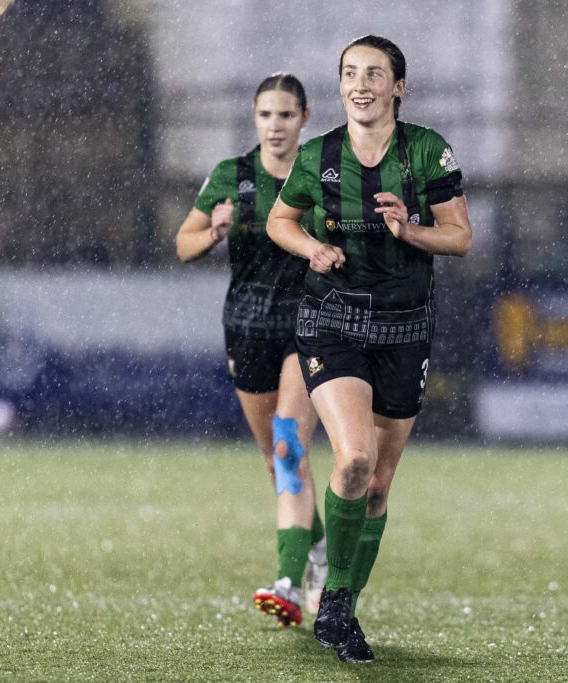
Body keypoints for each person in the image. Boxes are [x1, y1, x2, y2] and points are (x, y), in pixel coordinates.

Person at [267, 36, 473, 663]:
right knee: (354, 459)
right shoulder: (318, 157)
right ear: (340, 86)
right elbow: (282, 221)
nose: (361, 84)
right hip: (332, 322)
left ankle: (341, 604)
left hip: (405, 330)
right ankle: (319, 593)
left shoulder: (425, 150)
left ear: (398, 87)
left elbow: (461, 237)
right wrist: (314, 249)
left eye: (375, 74)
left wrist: (408, 229)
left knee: (379, 484)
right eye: (350, 73)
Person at [175, 73, 327, 627]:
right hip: (246, 327)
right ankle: (317, 549)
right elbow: (183, 243)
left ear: (304, 119)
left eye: (286, 115)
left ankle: (287, 582)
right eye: (266, 115)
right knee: (276, 458)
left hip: (306, 326)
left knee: (289, 446)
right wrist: (212, 233)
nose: (276, 125)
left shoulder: (320, 178)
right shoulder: (231, 177)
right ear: (254, 118)